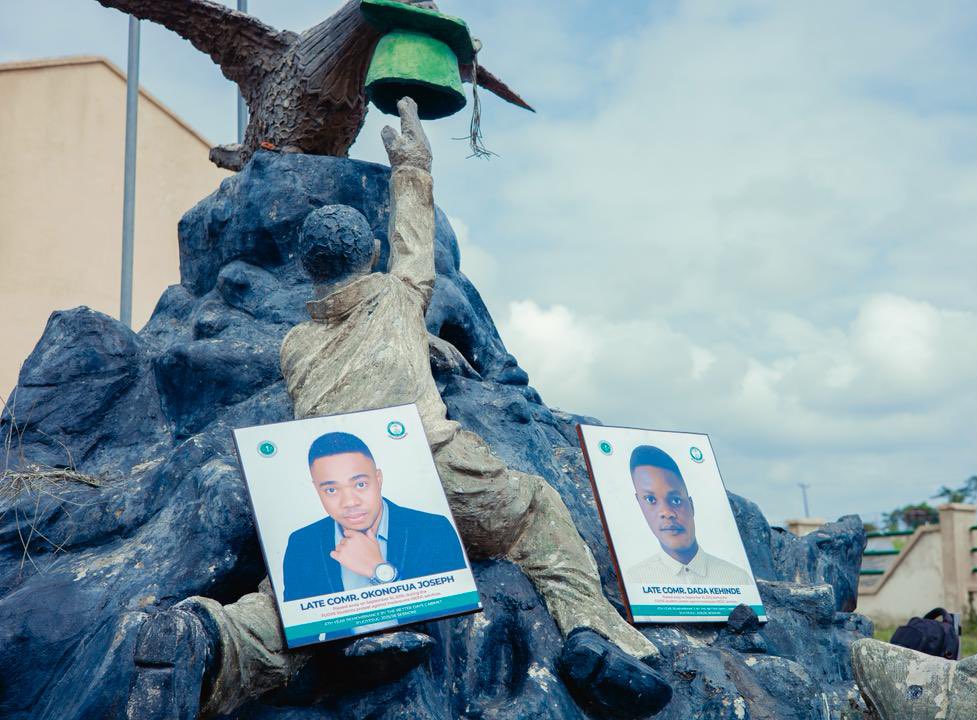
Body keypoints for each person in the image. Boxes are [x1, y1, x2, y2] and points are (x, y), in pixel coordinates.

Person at [129, 97, 672, 719]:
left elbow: (349, 357)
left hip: (329, 482)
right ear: (369, 256)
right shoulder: (394, 298)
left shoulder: (296, 343)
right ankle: (590, 632)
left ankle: (215, 640)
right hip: (428, 465)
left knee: (303, 595)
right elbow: (414, 245)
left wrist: (420, 342)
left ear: (309, 269)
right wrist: (412, 165)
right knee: (534, 512)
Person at [283, 431, 467, 602]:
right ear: (317, 490)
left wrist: (379, 570)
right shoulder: (302, 544)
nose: (350, 502)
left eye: (360, 484)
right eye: (331, 490)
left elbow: (457, 606)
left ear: (378, 479)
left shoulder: (434, 530)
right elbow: (300, 621)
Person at [623, 445, 752, 587]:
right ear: (640, 504)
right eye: (650, 499)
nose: (667, 512)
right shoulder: (633, 580)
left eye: (675, 500)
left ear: (691, 505)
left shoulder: (739, 579)